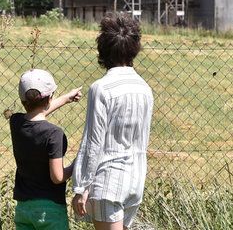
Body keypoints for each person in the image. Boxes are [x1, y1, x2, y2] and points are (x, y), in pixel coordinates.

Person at [71, 13, 154, 230]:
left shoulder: (101, 88)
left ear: (103, 49)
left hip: (109, 181)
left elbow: (93, 142)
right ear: (134, 47)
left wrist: (81, 187)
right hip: (136, 180)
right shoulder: (144, 88)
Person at [10, 69, 82, 230]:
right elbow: (57, 177)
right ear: (50, 97)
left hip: (23, 209)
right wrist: (76, 164)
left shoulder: (16, 123)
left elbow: (35, 116)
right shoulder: (53, 134)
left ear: (22, 100)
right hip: (49, 212)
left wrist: (65, 99)